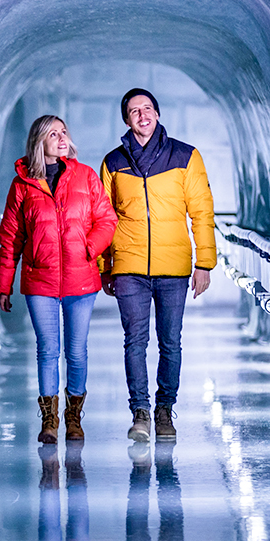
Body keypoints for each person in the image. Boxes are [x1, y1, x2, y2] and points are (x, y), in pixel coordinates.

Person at [100, 88, 216, 441]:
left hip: (173, 267)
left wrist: (205, 262)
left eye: (147, 108)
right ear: (126, 120)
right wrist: (105, 265)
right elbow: (103, 217)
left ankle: (165, 409)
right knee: (134, 341)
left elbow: (201, 211)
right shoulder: (113, 163)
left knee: (170, 341)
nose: (142, 115)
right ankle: (140, 412)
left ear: (158, 113)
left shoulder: (186, 156)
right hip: (130, 265)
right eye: (134, 111)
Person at [0, 115, 118, 444]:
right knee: (47, 350)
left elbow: (107, 219)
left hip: (81, 279)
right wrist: (3, 285)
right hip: (40, 281)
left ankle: (73, 417)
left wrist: (89, 248)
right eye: (53, 133)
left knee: (76, 351)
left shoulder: (85, 177)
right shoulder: (23, 184)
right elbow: (11, 237)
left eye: (64, 131)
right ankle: (49, 420)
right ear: (39, 141)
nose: (62, 137)